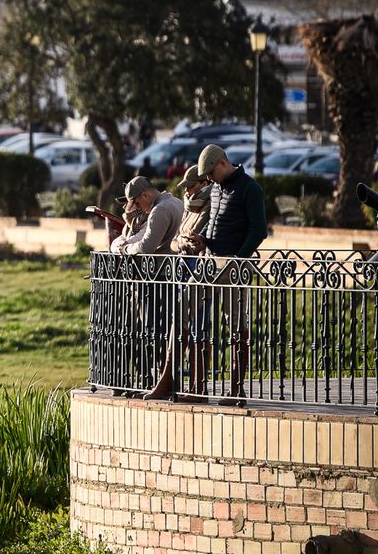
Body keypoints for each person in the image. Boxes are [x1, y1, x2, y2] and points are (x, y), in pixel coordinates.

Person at [185, 143, 267, 403]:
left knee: (235, 326)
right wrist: (204, 240)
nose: (208, 179)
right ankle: (190, 384)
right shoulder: (216, 189)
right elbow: (215, 224)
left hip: (233, 267)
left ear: (222, 163)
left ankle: (236, 388)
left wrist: (238, 259)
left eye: (210, 172)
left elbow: (258, 231)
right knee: (184, 309)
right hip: (210, 262)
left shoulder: (250, 188)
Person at [107, 176, 185, 395]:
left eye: (138, 203)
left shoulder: (160, 210)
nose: (139, 208)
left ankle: (160, 381)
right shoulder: (176, 202)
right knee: (165, 329)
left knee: (155, 330)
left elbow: (146, 246)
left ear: (145, 195)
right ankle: (164, 380)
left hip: (157, 275)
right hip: (170, 275)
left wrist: (124, 250)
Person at [147, 166, 213, 400]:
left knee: (199, 329)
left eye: (192, 187)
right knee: (179, 326)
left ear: (204, 184)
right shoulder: (188, 208)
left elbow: (205, 240)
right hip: (183, 270)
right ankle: (170, 380)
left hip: (200, 270)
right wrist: (182, 242)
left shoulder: (210, 206)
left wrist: (191, 242)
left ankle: (198, 387)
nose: (188, 192)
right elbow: (175, 242)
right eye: (185, 188)